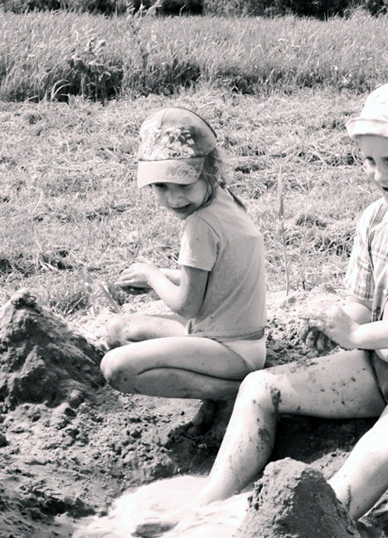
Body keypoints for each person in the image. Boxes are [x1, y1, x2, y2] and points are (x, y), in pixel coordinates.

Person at [192, 78, 388, 521]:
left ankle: (307, 528)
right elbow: (361, 303)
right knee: (259, 387)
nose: (379, 175)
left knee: (375, 451)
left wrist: (360, 334)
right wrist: (339, 324)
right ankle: (207, 510)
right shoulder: (375, 218)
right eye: (369, 161)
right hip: (376, 364)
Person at [100, 107, 267, 423]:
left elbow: (187, 306)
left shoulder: (200, 225)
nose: (174, 199)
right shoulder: (226, 201)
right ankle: (224, 387)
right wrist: (163, 275)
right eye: (162, 186)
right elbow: (219, 275)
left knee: (116, 367)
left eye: (184, 185)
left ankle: (236, 392)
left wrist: (153, 275)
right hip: (241, 339)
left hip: (230, 350)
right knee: (118, 330)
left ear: (210, 170)